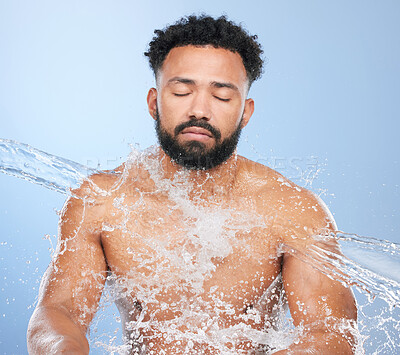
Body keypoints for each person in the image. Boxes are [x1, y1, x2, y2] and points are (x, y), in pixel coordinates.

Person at [27, 15, 357, 354]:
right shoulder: (103, 200)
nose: (199, 110)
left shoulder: (291, 210)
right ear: (154, 103)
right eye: (182, 91)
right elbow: (58, 311)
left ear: (245, 112)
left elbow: (331, 331)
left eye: (223, 97)